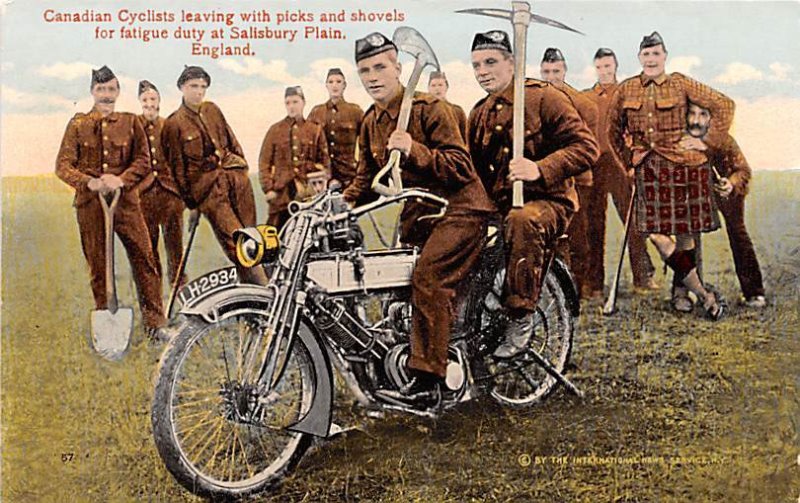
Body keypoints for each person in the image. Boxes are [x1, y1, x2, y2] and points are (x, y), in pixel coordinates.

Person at [343, 32, 495, 406]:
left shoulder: (430, 109)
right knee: (392, 281)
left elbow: (461, 167)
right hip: (422, 212)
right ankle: (396, 361)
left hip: (461, 207)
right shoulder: (372, 120)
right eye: (365, 70)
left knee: (428, 278)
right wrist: (340, 204)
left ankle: (430, 380)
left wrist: (415, 149)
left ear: (397, 67)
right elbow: (366, 178)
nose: (373, 76)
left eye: (380, 66)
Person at [467, 31, 598, 357]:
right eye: (476, 65)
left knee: (522, 220)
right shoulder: (479, 113)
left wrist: (539, 168)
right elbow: (473, 171)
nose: (482, 71)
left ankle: (520, 316)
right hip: (499, 205)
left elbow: (586, 148)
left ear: (512, 62)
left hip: (547, 201)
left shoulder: (544, 98)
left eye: (491, 62)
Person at [607, 31, 735, 320]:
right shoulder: (626, 89)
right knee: (656, 236)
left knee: (686, 236)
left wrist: (706, 141)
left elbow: (724, 105)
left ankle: (681, 293)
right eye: (646, 54)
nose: (651, 59)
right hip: (648, 171)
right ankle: (704, 294)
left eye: (656, 54)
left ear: (665, 56)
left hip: (685, 168)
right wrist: (628, 161)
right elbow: (611, 131)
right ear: (639, 57)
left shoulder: (680, 83)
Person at [55, 66, 170, 341]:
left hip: (126, 204)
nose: (106, 95)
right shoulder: (78, 124)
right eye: (101, 90)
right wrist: (89, 182)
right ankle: (106, 324)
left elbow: (143, 160)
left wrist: (122, 179)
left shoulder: (131, 122)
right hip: (91, 205)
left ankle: (156, 324)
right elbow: (63, 166)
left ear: (118, 92)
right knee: (98, 266)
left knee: (145, 258)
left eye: (111, 89)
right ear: (92, 92)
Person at [161, 65, 267, 285]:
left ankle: (252, 297)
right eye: (193, 86)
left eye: (202, 87)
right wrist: (193, 203)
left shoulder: (213, 110)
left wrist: (240, 169)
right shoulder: (173, 124)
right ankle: (264, 293)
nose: (198, 92)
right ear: (181, 87)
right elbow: (177, 171)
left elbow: (232, 141)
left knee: (253, 236)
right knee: (237, 241)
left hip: (236, 182)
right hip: (208, 191)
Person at [671, 103, 766, 310]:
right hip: (693, 191)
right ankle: (684, 293)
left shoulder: (723, 139)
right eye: (692, 114)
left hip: (724, 191)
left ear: (711, 118)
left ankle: (754, 292)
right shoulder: (681, 139)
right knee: (687, 236)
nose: (696, 120)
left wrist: (730, 182)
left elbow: (743, 170)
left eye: (703, 115)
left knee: (738, 232)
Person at [582, 48, 657, 298]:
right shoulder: (586, 97)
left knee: (632, 220)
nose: (604, 72)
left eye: (608, 67)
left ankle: (643, 276)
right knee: (594, 224)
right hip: (594, 164)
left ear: (615, 66)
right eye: (600, 67)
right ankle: (593, 284)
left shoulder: (625, 93)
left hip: (618, 163)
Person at [539, 47, 600, 298]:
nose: (551, 76)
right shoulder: (534, 98)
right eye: (546, 71)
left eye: (556, 71)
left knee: (578, 234)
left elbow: (588, 145)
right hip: (545, 178)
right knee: (550, 234)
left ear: (564, 71)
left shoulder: (582, 104)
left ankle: (580, 284)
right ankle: (552, 286)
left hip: (577, 179)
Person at [136, 80, 187, 292]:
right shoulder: (133, 127)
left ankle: (181, 299)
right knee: (149, 252)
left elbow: (180, 161)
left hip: (170, 197)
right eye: (145, 99)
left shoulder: (169, 126)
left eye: (153, 99)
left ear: (159, 101)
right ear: (140, 102)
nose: (150, 104)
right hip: (144, 198)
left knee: (176, 252)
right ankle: (154, 303)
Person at [260, 86, 331, 229]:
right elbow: (264, 163)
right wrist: (269, 189)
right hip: (281, 196)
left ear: (303, 103)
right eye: (288, 103)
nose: (291, 106)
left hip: (308, 195)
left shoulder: (314, 130)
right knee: (274, 238)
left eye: (295, 102)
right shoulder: (275, 130)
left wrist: (319, 183)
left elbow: (325, 163)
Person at [307, 68, 364, 190]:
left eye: (338, 82)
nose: (335, 85)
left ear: (344, 85)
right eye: (331, 82)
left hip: (349, 175)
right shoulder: (317, 112)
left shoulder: (355, 111)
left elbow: (368, 141)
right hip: (323, 178)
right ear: (326, 85)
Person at [427, 70, 468, 141]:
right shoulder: (425, 112)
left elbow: (466, 138)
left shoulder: (457, 111)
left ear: (446, 87)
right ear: (428, 88)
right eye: (433, 85)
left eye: (440, 85)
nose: (437, 88)